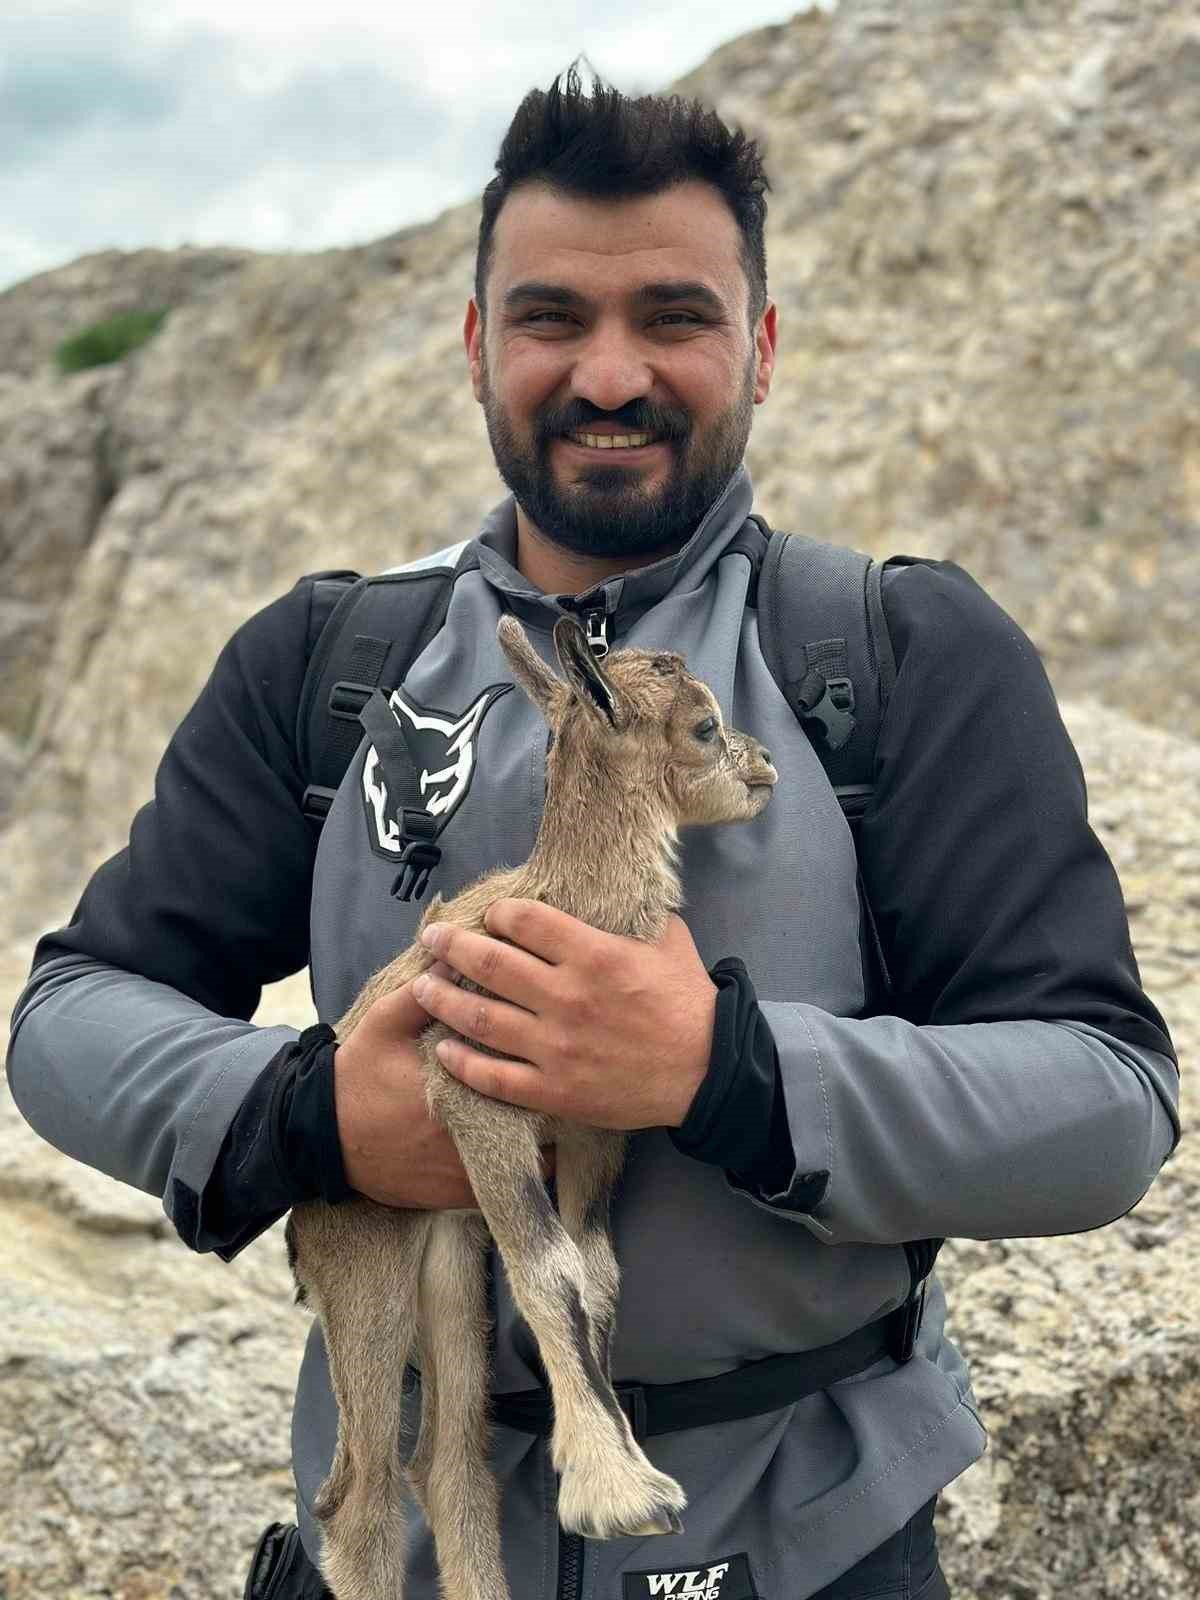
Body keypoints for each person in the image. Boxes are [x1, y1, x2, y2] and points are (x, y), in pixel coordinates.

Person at [6, 65, 1180, 1600]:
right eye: (553, 318)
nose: (611, 373)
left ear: (760, 346)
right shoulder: (328, 665)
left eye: (676, 318)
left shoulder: (894, 658)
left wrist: (720, 1069)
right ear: (479, 347)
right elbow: (68, 1016)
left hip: (804, 1557)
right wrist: (311, 1116)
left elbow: (1103, 1105)